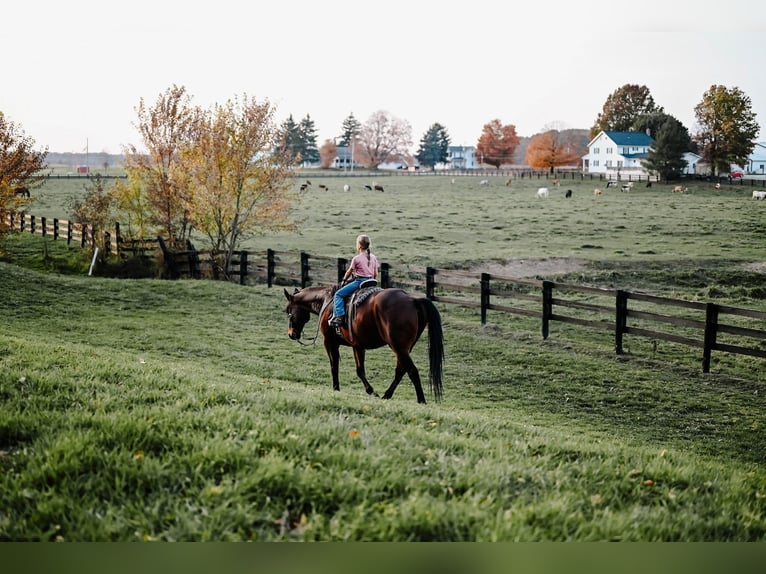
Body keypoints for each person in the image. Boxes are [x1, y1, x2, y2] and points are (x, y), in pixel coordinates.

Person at [329, 234, 379, 327]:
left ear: (359, 245)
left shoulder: (356, 258)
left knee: (338, 294)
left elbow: (349, 271)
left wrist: (344, 280)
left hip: (360, 282)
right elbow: (376, 273)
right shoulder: (373, 257)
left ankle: (339, 316)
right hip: (371, 281)